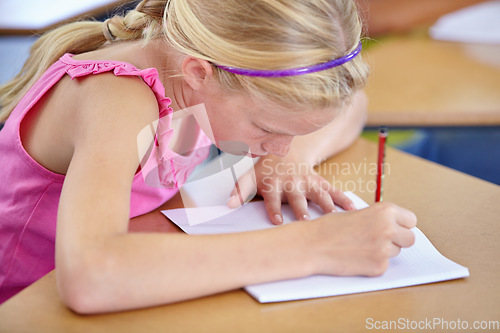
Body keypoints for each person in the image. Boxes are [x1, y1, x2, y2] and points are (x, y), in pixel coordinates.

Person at [0, 0, 416, 313]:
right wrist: (319, 245)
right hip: (25, 307)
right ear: (200, 72)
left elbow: (353, 107)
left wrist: (285, 160)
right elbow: (90, 276)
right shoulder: (118, 98)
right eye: (269, 130)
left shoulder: (190, 85)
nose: (279, 143)